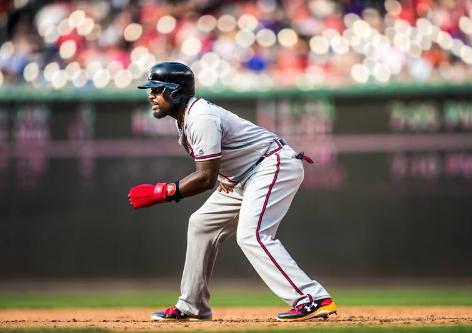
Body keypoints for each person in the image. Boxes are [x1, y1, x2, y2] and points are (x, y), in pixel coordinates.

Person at [128, 61, 336, 322]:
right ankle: (193, 305)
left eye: (156, 89)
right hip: (244, 176)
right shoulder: (185, 118)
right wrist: (220, 176)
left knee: (252, 235)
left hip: (272, 165)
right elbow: (213, 169)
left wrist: (164, 191)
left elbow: (205, 178)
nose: (151, 95)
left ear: (175, 92)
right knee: (201, 224)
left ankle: (312, 298)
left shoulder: (200, 117)